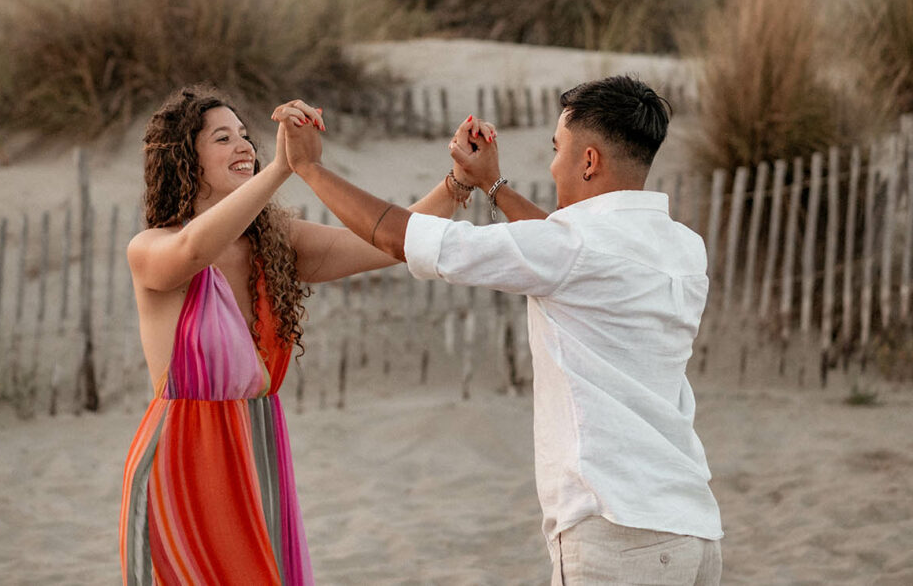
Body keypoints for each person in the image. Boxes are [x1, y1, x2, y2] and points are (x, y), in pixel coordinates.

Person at [282, 75, 724, 585]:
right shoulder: (684, 247)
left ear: (589, 162)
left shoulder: (573, 250)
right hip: (693, 531)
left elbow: (400, 238)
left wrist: (308, 167)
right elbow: (566, 251)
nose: (553, 162)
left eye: (557, 150)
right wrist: (492, 185)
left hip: (616, 532)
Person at [117, 84, 480, 585]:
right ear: (185, 158)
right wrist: (284, 168)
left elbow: (387, 244)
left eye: (246, 135)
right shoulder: (151, 248)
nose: (244, 145)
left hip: (258, 456)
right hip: (184, 464)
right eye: (223, 138)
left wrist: (458, 182)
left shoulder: (275, 244)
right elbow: (194, 251)